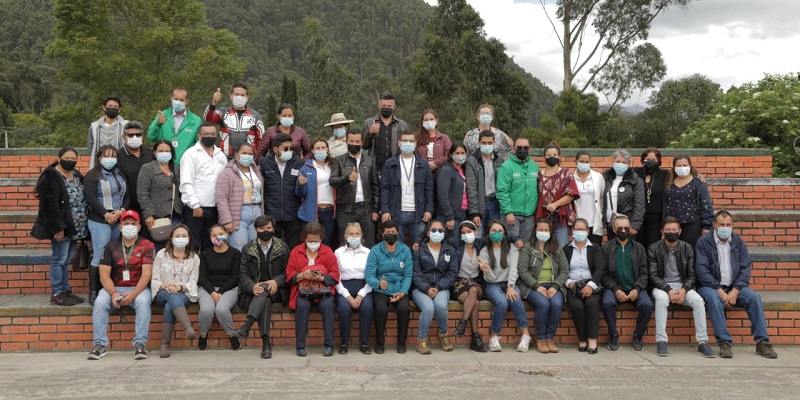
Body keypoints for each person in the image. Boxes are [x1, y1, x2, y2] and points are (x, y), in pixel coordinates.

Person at [695, 210, 778, 359]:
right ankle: (724, 342)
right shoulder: (704, 242)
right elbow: (702, 271)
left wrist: (736, 290)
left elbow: (745, 268)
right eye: (722, 225)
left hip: (733, 287)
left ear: (733, 225)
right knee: (714, 299)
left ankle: (762, 342)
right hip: (710, 287)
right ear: (714, 225)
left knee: (754, 297)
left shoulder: (738, 242)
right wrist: (719, 290)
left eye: (728, 225)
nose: (725, 228)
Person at [87, 210, 154, 360]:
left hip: (138, 288)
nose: (129, 226)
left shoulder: (147, 245)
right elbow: (103, 275)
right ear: (120, 227)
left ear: (139, 226)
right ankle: (99, 345)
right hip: (114, 288)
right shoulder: (110, 246)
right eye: (126, 223)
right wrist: (113, 293)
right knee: (99, 302)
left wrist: (134, 294)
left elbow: (147, 274)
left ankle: (140, 344)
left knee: (143, 302)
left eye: (133, 223)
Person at [648, 217, 714, 358]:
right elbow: (653, 276)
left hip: (682, 286)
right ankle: (661, 341)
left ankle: (702, 342)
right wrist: (668, 290)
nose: (671, 232)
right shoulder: (654, 248)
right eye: (668, 230)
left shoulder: (687, 248)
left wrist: (684, 289)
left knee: (697, 300)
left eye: (674, 230)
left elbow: (692, 275)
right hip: (661, 286)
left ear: (680, 231)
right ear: (662, 232)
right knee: (661, 300)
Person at [31, 146, 89, 306]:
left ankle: (65, 290)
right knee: (59, 259)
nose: (70, 161)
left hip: (75, 226)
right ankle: (57, 292)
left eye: (73, 159)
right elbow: (49, 206)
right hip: (61, 228)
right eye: (67, 158)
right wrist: (58, 228)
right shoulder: (50, 177)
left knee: (67, 259)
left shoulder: (76, 175)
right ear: (59, 158)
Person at [235, 215, 290, 359]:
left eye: (268, 228)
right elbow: (243, 274)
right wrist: (252, 286)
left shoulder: (282, 247)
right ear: (256, 230)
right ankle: (266, 344)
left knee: (265, 290)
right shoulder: (248, 249)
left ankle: (247, 325)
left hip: (278, 291)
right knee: (263, 297)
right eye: (262, 228)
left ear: (273, 229)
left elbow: (288, 272)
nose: (265, 231)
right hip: (255, 292)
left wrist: (276, 281)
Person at [84, 145, 129, 305]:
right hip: (99, 219)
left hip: (117, 219)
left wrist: (120, 211)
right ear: (99, 158)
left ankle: (110, 288)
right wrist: (106, 214)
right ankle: (93, 291)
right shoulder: (92, 175)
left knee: (115, 255)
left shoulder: (120, 174)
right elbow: (90, 198)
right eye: (106, 156)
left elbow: (127, 196)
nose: (110, 159)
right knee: (100, 255)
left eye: (113, 156)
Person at [286, 223, 340, 357]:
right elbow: (289, 273)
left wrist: (321, 278)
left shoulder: (327, 251)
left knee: (328, 306)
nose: (313, 243)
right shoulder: (296, 251)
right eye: (310, 241)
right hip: (303, 291)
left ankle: (329, 345)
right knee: (302, 307)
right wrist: (301, 275)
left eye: (316, 241)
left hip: (323, 292)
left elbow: (335, 274)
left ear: (321, 239)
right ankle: (300, 346)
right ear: (305, 239)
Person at [600, 214, 652, 352]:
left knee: (647, 305)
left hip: (635, 288)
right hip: (613, 288)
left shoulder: (639, 248)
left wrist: (637, 288)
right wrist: (616, 289)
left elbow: (644, 273)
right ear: (614, 229)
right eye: (620, 228)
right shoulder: (606, 248)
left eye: (626, 228)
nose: (624, 231)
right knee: (607, 303)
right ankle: (613, 335)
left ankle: (637, 335)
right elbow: (603, 274)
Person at [518, 218, 569, 353]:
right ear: (535, 231)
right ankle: (540, 338)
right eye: (540, 229)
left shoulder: (557, 248)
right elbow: (522, 270)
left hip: (553, 286)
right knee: (543, 304)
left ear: (550, 232)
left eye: (546, 230)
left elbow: (564, 270)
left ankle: (550, 338)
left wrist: (556, 286)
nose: (543, 232)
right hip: (532, 286)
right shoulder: (528, 248)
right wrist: (536, 286)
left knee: (557, 304)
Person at [479, 220, 531, 352]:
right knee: (502, 302)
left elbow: (514, 269)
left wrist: (511, 286)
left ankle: (525, 335)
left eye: (500, 231)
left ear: (504, 233)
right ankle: (494, 337)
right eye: (493, 231)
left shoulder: (512, 248)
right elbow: (490, 278)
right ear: (488, 233)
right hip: (492, 284)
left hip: (509, 282)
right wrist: (487, 270)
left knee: (515, 299)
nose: (497, 233)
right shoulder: (484, 252)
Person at [151, 224, 200, 358]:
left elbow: (193, 281)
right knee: (170, 296)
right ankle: (187, 327)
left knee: (170, 306)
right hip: (162, 292)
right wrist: (165, 285)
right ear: (171, 238)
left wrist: (179, 287)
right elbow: (154, 278)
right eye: (177, 236)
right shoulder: (161, 254)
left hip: (183, 293)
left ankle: (164, 344)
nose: (180, 238)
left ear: (189, 238)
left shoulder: (194, 258)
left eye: (184, 236)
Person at [365, 220, 413, 354]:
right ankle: (380, 342)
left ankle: (401, 342)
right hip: (381, 289)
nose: (390, 235)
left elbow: (408, 275)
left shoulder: (405, 250)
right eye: (387, 232)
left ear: (398, 233)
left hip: (399, 288)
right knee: (381, 310)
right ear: (382, 234)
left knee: (404, 309)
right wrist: (378, 283)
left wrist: (403, 291)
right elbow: (369, 274)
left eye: (393, 232)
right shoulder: (375, 250)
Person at [411, 220, 459, 354]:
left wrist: (438, 287)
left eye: (440, 230)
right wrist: (426, 288)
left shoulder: (450, 250)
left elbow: (452, 273)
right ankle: (421, 341)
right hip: (420, 288)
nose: (437, 233)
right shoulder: (418, 249)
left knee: (441, 306)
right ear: (427, 232)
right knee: (428, 308)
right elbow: (416, 273)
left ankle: (443, 335)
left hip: (441, 287)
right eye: (433, 230)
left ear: (444, 233)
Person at [179, 123, 227, 250]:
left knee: (211, 245)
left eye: (212, 134)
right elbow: (186, 182)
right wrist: (195, 205)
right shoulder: (191, 154)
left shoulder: (221, 155)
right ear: (199, 136)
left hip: (215, 208)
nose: (209, 136)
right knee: (192, 245)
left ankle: (207, 270)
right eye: (206, 134)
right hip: (196, 209)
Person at [380, 131, 434, 245]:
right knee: (396, 246)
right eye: (405, 141)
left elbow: (429, 189)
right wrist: (385, 210)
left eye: (411, 141)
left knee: (417, 246)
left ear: (415, 144)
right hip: (396, 213)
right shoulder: (390, 164)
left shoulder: (423, 164)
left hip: (418, 213)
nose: (408, 143)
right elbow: (384, 188)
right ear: (399, 143)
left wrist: (429, 209)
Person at [330, 129, 379, 248]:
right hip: (346, 210)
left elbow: (375, 186)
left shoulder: (370, 161)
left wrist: (376, 209)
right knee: (344, 244)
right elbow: (333, 181)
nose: (354, 144)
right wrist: (347, 178)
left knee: (369, 244)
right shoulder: (339, 160)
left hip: (366, 209)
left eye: (357, 141)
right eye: (351, 141)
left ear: (362, 143)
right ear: (346, 142)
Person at [197, 224, 242, 351]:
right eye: (214, 235)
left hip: (228, 289)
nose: (218, 237)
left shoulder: (235, 254)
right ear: (210, 237)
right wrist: (212, 292)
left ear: (226, 234)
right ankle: (203, 335)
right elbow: (202, 277)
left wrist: (221, 292)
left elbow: (235, 277)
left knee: (221, 309)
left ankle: (231, 335)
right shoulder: (205, 254)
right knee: (206, 310)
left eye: (221, 234)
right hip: (207, 289)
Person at [563, 218, 605, 354]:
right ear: (572, 231)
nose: (579, 232)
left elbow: (600, 269)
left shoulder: (595, 248)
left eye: (582, 229)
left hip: (591, 285)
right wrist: (569, 283)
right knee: (577, 307)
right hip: (573, 285)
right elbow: (562, 270)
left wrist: (590, 286)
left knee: (591, 304)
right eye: (577, 229)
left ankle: (592, 339)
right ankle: (582, 339)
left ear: (587, 231)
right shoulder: (566, 249)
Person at [259, 132, 305, 249]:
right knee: (274, 249)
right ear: (275, 149)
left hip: (293, 214)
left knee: (292, 248)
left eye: (291, 148)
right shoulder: (265, 163)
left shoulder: (299, 163)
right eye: (285, 148)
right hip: (272, 214)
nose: (288, 151)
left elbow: (302, 190)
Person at [334, 222, 374, 354]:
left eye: (357, 234)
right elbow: (336, 278)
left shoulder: (368, 252)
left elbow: (372, 276)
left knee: (367, 307)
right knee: (344, 309)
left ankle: (364, 343)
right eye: (351, 234)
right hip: (344, 287)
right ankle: (344, 343)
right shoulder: (338, 252)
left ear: (362, 235)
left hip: (364, 286)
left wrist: (361, 294)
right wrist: (348, 296)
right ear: (345, 236)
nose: (354, 236)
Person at [215, 143, 264, 250]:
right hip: (238, 215)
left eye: (250, 154)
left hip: (256, 211)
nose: (248, 156)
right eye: (244, 153)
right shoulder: (227, 173)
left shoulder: (256, 171)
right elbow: (221, 199)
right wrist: (227, 220)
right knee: (239, 248)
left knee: (255, 249)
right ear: (237, 155)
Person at [137, 140, 182, 251]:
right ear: (155, 152)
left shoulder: (176, 169)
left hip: (175, 215)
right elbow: (142, 193)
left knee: (174, 247)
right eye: (161, 151)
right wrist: (148, 214)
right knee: (158, 248)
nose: (164, 153)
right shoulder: (147, 169)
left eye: (167, 151)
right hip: (156, 216)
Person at [451, 221, 488, 352]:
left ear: (476, 232)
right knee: (475, 304)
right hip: (459, 283)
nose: (466, 235)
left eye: (469, 232)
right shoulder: (456, 247)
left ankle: (462, 323)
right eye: (463, 233)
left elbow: (503, 235)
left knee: (473, 290)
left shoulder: (481, 245)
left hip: (476, 283)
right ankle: (475, 338)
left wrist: (516, 239)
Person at [496, 137, 538, 249]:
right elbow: (502, 191)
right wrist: (508, 212)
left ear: (530, 150)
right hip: (512, 215)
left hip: (529, 215)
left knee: (525, 247)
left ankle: (522, 267)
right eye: (519, 147)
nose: (522, 150)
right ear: (513, 149)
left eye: (526, 147)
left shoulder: (534, 166)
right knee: (512, 246)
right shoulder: (506, 167)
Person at [663, 154, 714, 246]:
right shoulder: (667, 181)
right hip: (671, 225)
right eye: (679, 166)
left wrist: (707, 225)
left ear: (690, 166)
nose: (682, 168)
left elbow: (705, 204)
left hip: (692, 224)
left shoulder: (698, 183)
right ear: (674, 167)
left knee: (691, 253)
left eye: (685, 165)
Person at [204, 83, 265, 158]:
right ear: (231, 96)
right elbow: (208, 118)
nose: (239, 97)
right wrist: (213, 103)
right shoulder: (223, 112)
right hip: (225, 158)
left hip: (247, 159)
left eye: (242, 95)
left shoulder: (256, 116)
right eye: (237, 94)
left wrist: (257, 159)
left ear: (247, 97)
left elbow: (261, 140)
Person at [296, 138, 338, 248]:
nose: (321, 150)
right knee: (311, 244)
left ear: (327, 149)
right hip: (313, 211)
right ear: (312, 150)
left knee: (327, 243)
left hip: (330, 211)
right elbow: (300, 193)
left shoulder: (333, 166)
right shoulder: (305, 168)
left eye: (323, 147)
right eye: (317, 148)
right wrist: (300, 185)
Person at [536, 143, 578, 247]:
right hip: (543, 219)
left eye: (555, 154)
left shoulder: (566, 173)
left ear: (559, 156)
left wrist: (555, 204)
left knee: (561, 248)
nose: (552, 157)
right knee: (543, 247)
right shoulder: (538, 175)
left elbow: (572, 194)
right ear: (544, 157)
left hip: (561, 218)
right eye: (549, 154)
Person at [147, 86, 202, 165]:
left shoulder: (196, 121)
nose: (178, 102)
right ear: (171, 98)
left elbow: (199, 145)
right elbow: (151, 137)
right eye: (176, 99)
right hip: (164, 164)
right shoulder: (162, 115)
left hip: (186, 166)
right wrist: (157, 124)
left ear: (187, 101)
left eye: (181, 100)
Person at [464, 130, 503, 239]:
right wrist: (474, 212)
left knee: (494, 237)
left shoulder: (499, 160)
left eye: (490, 143)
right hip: (480, 203)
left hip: (495, 204)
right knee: (478, 236)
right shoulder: (472, 161)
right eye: (484, 143)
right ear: (479, 143)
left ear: (494, 143)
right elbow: (471, 188)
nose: (487, 145)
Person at [361, 91, 410, 171]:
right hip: (375, 169)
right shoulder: (369, 123)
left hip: (396, 168)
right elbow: (364, 146)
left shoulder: (402, 125)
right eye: (383, 105)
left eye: (389, 106)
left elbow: (408, 146)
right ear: (378, 106)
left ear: (394, 107)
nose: (386, 107)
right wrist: (370, 133)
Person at [603, 150, 645, 242]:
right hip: (610, 223)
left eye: (624, 162)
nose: (620, 164)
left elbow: (639, 204)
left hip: (626, 224)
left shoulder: (636, 180)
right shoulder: (606, 178)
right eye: (618, 162)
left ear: (629, 164)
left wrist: (635, 225)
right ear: (613, 162)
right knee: (612, 249)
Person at [116, 121, 154, 222]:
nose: (134, 137)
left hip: (151, 207)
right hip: (128, 208)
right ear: (124, 137)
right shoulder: (117, 156)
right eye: (131, 135)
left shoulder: (151, 154)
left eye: (138, 135)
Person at [633, 147, 669, 248]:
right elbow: (616, 173)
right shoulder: (635, 172)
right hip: (639, 217)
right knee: (638, 246)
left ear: (659, 161)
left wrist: (698, 174)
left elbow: (683, 175)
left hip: (656, 219)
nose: (650, 162)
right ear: (643, 160)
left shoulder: (665, 174)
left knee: (653, 246)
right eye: (648, 159)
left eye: (653, 160)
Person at [436, 141, 469, 247]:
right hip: (451, 216)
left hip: (463, 213)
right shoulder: (446, 170)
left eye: (462, 153)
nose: (460, 156)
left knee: (460, 245)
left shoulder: (463, 170)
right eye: (457, 153)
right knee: (451, 245)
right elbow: (443, 196)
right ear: (451, 154)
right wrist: (450, 217)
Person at [572, 150, 605, 245]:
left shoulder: (598, 177)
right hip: (578, 222)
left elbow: (602, 197)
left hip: (595, 222)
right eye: (582, 161)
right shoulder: (571, 178)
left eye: (587, 162)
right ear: (576, 161)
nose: (584, 164)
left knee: (594, 250)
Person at [87, 95, 128, 168]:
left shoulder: (126, 125)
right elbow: (91, 146)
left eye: (115, 107)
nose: (112, 108)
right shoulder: (94, 126)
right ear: (104, 107)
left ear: (119, 109)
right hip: (99, 166)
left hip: (120, 165)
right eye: (110, 106)